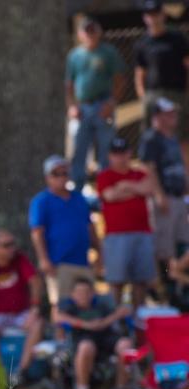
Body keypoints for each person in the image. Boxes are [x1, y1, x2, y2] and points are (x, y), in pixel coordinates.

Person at [0, 230, 45, 385]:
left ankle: (21, 372)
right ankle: (0, 372)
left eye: (13, 244)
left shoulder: (20, 260)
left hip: (20, 313)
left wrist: (35, 308)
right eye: (6, 245)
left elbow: (35, 281)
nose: (11, 248)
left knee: (37, 323)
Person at [28, 154, 101, 308]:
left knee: (87, 305)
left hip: (83, 262)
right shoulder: (41, 201)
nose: (61, 177)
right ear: (47, 177)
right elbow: (37, 232)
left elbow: (90, 227)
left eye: (64, 173)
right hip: (58, 264)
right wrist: (44, 259)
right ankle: (61, 333)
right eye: (56, 173)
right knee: (61, 306)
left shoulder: (79, 199)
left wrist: (100, 253)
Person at [95, 137, 158, 308]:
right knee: (116, 281)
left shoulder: (140, 174)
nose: (120, 158)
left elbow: (149, 188)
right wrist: (135, 190)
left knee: (141, 281)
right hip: (116, 235)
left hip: (142, 233)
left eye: (123, 153)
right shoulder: (104, 176)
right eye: (116, 154)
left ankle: (138, 321)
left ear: (129, 153)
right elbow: (109, 196)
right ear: (110, 156)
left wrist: (124, 185)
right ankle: (116, 322)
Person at [65, 16, 125, 187]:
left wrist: (112, 103)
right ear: (80, 34)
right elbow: (68, 85)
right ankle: (78, 190)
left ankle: (105, 189)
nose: (90, 34)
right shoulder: (74, 56)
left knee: (106, 150)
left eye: (93, 30)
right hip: (82, 107)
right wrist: (71, 106)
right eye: (87, 31)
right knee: (78, 150)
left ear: (99, 32)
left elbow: (120, 79)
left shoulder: (108, 52)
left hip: (103, 105)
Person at [56, 277, 133, 389]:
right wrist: (86, 324)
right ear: (72, 295)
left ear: (92, 293)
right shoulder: (69, 307)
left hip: (106, 338)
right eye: (79, 292)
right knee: (87, 347)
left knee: (126, 345)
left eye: (87, 292)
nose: (83, 296)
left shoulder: (102, 304)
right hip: (83, 340)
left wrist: (103, 323)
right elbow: (57, 316)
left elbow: (124, 310)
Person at [138, 97, 189, 280]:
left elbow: (181, 166)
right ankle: (165, 284)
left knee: (180, 242)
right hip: (164, 198)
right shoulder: (151, 138)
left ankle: (178, 283)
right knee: (164, 246)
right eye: (168, 114)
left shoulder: (173, 139)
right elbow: (148, 168)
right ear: (157, 116)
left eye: (173, 113)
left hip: (178, 197)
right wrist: (159, 195)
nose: (173, 117)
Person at [135, 0, 189, 137]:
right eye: (149, 14)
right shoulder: (142, 43)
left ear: (163, 15)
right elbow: (140, 72)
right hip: (152, 95)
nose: (153, 18)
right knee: (151, 136)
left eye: (156, 13)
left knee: (180, 135)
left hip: (176, 94)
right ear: (145, 18)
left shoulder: (177, 38)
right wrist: (143, 96)